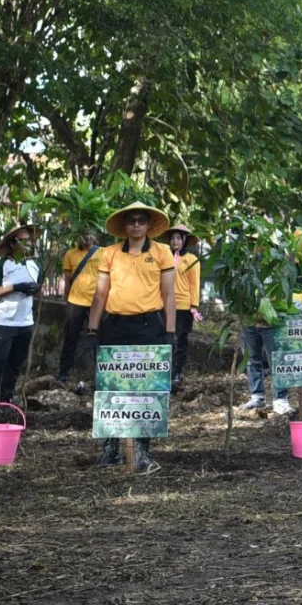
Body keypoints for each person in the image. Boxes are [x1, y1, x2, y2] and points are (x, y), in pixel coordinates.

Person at [79, 202, 176, 473]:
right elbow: (100, 294)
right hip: (115, 326)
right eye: (131, 221)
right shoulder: (109, 253)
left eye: (141, 220)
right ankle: (111, 450)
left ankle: (142, 453)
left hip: (149, 325)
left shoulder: (162, 252)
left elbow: (169, 294)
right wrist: (92, 330)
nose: (136, 225)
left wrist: (170, 332)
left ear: (148, 225)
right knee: (110, 385)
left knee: (147, 387)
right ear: (124, 226)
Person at [0, 225, 41, 407]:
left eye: (28, 240)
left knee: (15, 364)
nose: (26, 244)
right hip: (5, 320)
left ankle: (7, 398)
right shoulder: (2, 264)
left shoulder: (35, 265)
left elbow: (39, 285)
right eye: (22, 240)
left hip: (25, 321)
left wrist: (33, 289)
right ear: (13, 243)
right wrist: (14, 288)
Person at [59, 231, 102, 383]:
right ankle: (63, 373)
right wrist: (67, 301)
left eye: (90, 234)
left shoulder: (102, 252)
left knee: (99, 339)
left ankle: (101, 376)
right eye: (84, 234)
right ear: (78, 236)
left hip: (96, 303)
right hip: (75, 302)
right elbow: (67, 279)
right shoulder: (70, 254)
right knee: (71, 338)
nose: (87, 237)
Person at [165, 224, 201, 389]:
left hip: (183, 305)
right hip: (165, 304)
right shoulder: (165, 257)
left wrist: (194, 305)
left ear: (184, 240)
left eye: (178, 238)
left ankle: (177, 372)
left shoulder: (191, 259)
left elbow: (195, 284)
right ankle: (164, 371)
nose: (175, 241)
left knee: (181, 339)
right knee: (166, 338)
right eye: (172, 238)